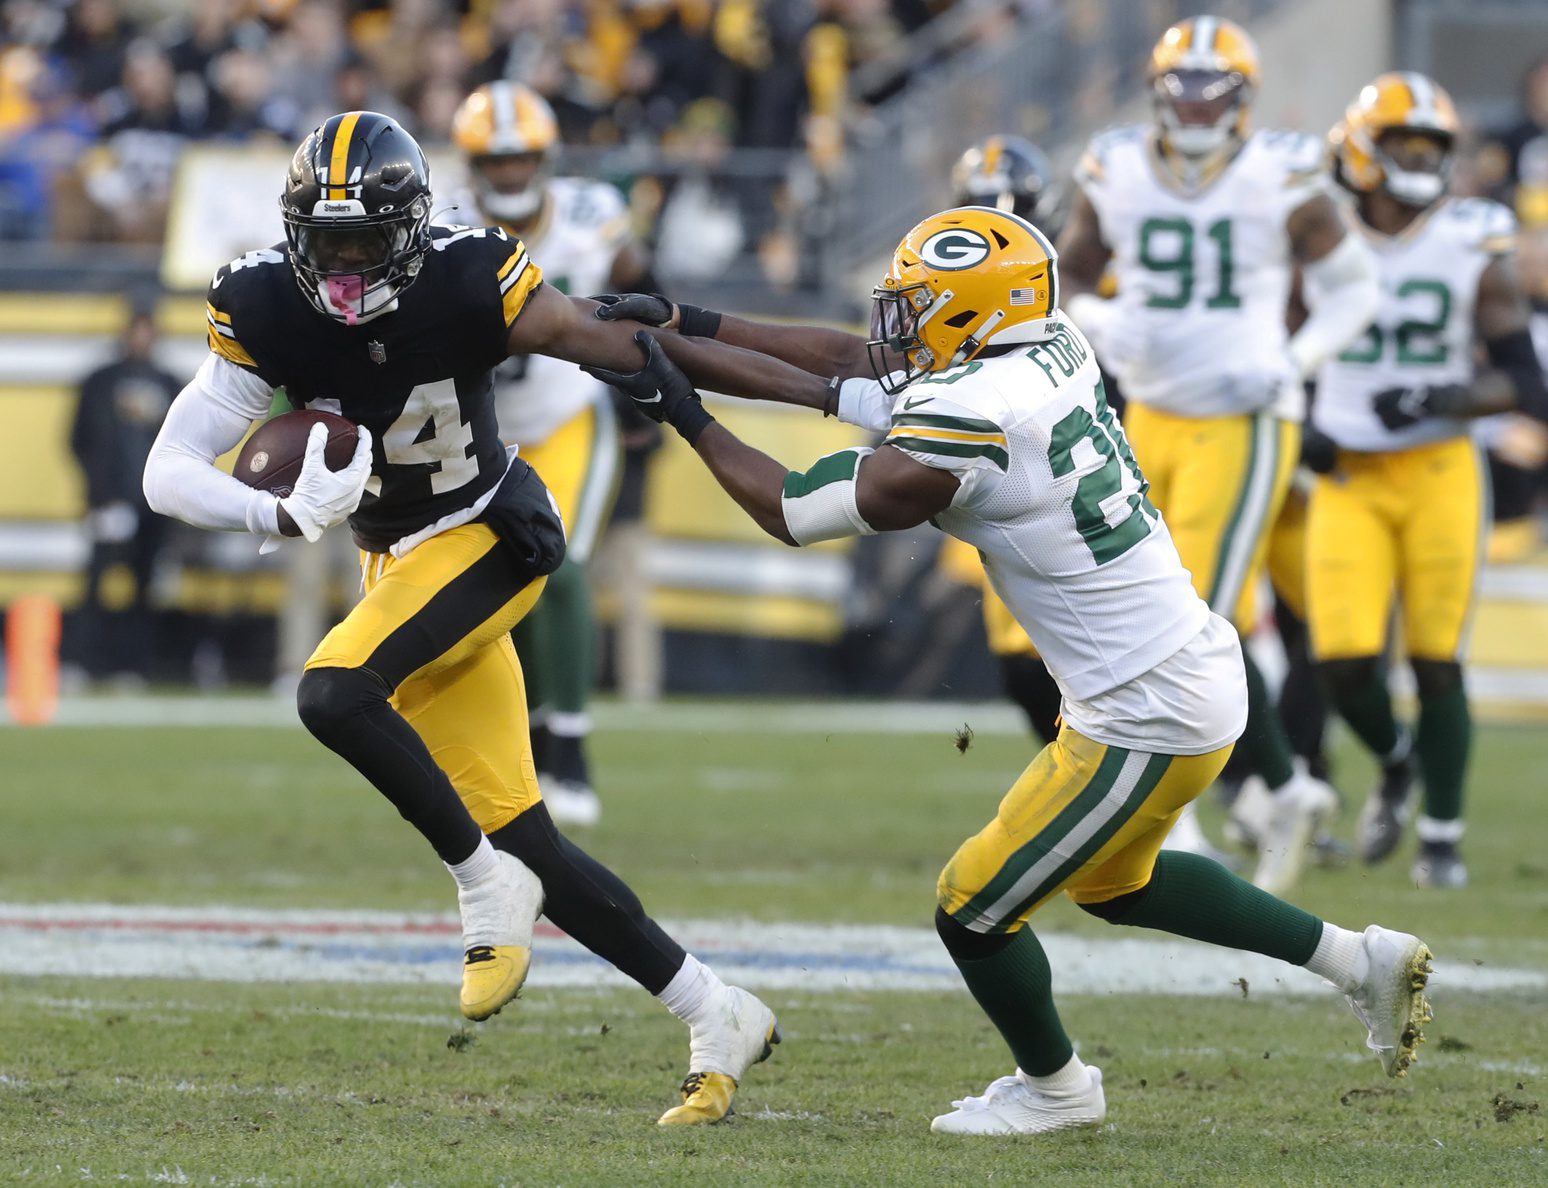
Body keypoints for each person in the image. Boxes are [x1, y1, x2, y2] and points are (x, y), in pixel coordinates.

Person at [585, 203, 1434, 1136]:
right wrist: (684, 327)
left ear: (970, 320)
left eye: (919, 307)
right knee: (1119, 885)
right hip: (1170, 673)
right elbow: (836, 371)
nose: (894, 327)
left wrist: (681, 409)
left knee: (972, 907)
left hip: (1143, 710)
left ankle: (1060, 1090)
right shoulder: (1039, 348)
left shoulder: (974, 418)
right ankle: (1363, 963)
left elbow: (789, 506)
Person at [142, 111, 777, 1126]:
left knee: (335, 693)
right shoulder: (263, 300)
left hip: (490, 533)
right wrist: (273, 509)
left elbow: (601, 340)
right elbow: (166, 469)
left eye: (362, 243)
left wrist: (767, 381)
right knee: (532, 842)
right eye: (325, 241)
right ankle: (716, 1009)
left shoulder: (471, 274)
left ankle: (481, 888)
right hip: (398, 560)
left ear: (410, 229)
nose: (343, 266)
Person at [1056, 15, 1381, 895]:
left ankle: (1190, 812)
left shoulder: (1282, 173)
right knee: (1147, 602)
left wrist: (1296, 359)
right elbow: (1071, 273)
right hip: (1149, 414)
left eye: (1215, 89)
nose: (1197, 105)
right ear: (1159, 91)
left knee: (1188, 611)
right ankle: (1283, 787)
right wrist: (1099, 318)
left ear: (1244, 97)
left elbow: (1358, 288)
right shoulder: (1116, 165)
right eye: (1183, 87)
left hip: (1246, 416)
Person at [1308, 74, 1547, 889]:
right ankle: (1397, 761)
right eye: (1403, 145)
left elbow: (1523, 380)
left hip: (1440, 467)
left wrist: (1440, 396)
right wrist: (1296, 417)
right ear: (1361, 152)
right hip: (1346, 474)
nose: (1418, 161)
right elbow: (1268, 343)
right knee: (1342, 659)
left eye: (1430, 148)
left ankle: (1442, 834)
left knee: (1437, 658)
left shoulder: (1470, 237)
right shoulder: (1318, 228)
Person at [444, 81, 662, 827]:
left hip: (568, 417)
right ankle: (531, 741)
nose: (508, 173)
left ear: (543, 157)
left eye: (519, 157)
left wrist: (647, 388)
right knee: (505, 593)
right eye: (494, 159)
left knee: (561, 567)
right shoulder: (442, 224)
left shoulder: (590, 217)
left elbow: (643, 288)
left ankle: (569, 749)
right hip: (480, 429)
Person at [69, 297, 178, 683]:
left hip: (153, 506)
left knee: (144, 585)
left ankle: (133, 666)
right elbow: (80, 439)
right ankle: (83, 663)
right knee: (97, 582)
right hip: (110, 501)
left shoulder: (169, 383)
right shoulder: (101, 381)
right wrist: (100, 492)